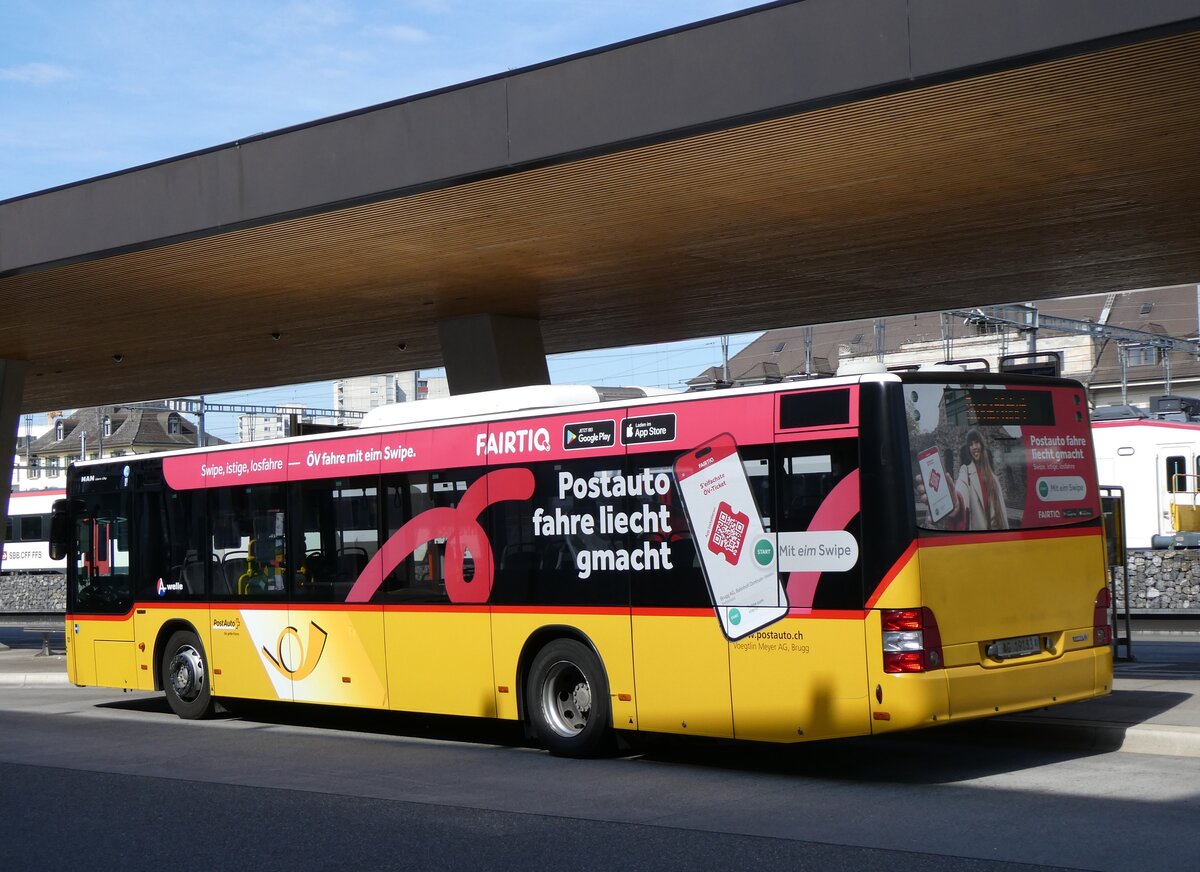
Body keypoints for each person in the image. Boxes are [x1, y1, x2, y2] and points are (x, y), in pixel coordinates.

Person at [953, 428, 1009, 530]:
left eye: (976, 442)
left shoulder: (993, 478)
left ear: (982, 444)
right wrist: (956, 500)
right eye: (971, 444)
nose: (974, 447)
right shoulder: (965, 471)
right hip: (977, 537)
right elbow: (960, 489)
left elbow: (1002, 516)